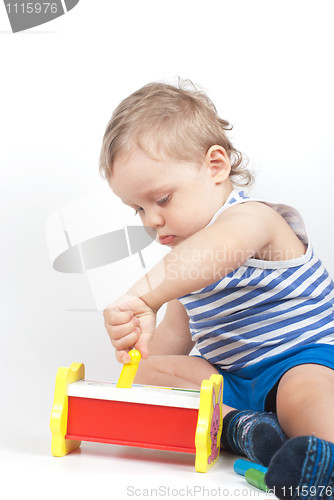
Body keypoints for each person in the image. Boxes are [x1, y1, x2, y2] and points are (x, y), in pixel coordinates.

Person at [99, 80, 334, 499]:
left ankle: (323, 456)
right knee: (145, 376)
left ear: (216, 166)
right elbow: (176, 336)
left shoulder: (254, 220)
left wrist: (143, 295)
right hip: (234, 384)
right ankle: (239, 427)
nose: (150, 219)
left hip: (303, 363)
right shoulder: (184, 269)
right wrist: (140, 346)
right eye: (138, 208)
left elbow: (213, 254)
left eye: (163, 199)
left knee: (306, 395)